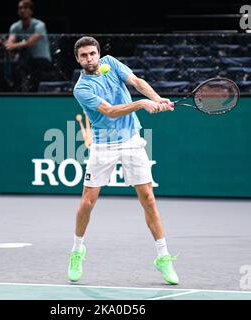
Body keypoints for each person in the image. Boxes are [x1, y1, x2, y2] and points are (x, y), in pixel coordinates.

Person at [69, 36, 179, 285]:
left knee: (149, 199)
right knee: (87, 202)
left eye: (92, 53)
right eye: (84, 55)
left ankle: (163, 258)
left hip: (132, 140)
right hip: (103, 145)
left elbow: (137, 82)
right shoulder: (81, 88)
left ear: (99, 54)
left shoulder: (111, 63)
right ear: (78, 59)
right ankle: (77, 251)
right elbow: (110, 111)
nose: (89, 58)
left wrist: (158, 99)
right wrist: (142, 104)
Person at [1, 0, 53, 91]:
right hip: (26, 62)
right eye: (20, 8)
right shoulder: (15, 26)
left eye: (25, 8)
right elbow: (10, 41)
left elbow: (32, 41)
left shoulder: (40, 25)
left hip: (42, 61)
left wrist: (13, 45)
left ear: (31, 11)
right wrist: (7, 44)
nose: (22, 10)